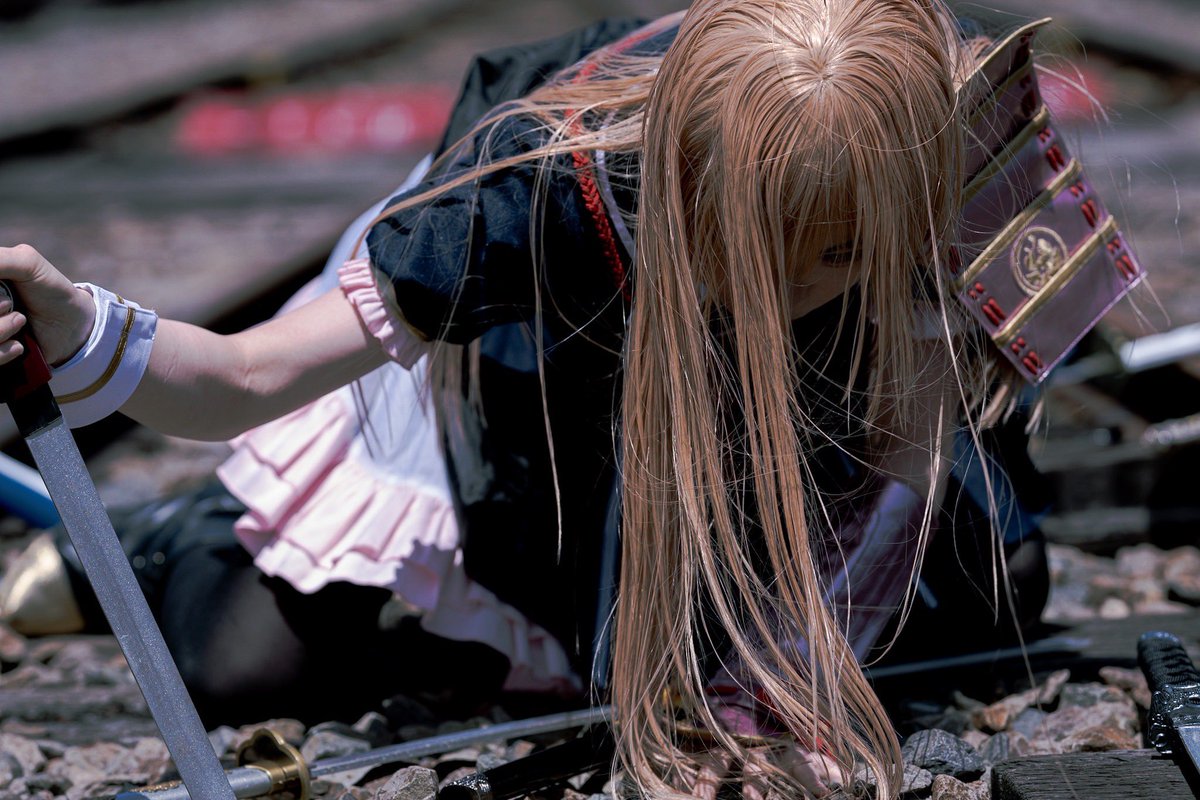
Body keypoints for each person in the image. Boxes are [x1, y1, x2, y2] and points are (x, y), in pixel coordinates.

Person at [0, 0, 1142, 796]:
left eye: (836, 254)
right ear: (677, 183)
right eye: (748, 250)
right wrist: (84, 326)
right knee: (246, 665)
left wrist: (769, 701)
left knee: (993, 588)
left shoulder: (947, 144)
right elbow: (247, 376)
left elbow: (905, 456)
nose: (788, 292)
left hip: (829, 405)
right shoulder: (530, 193)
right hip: (561, 401)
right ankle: (166, 538)